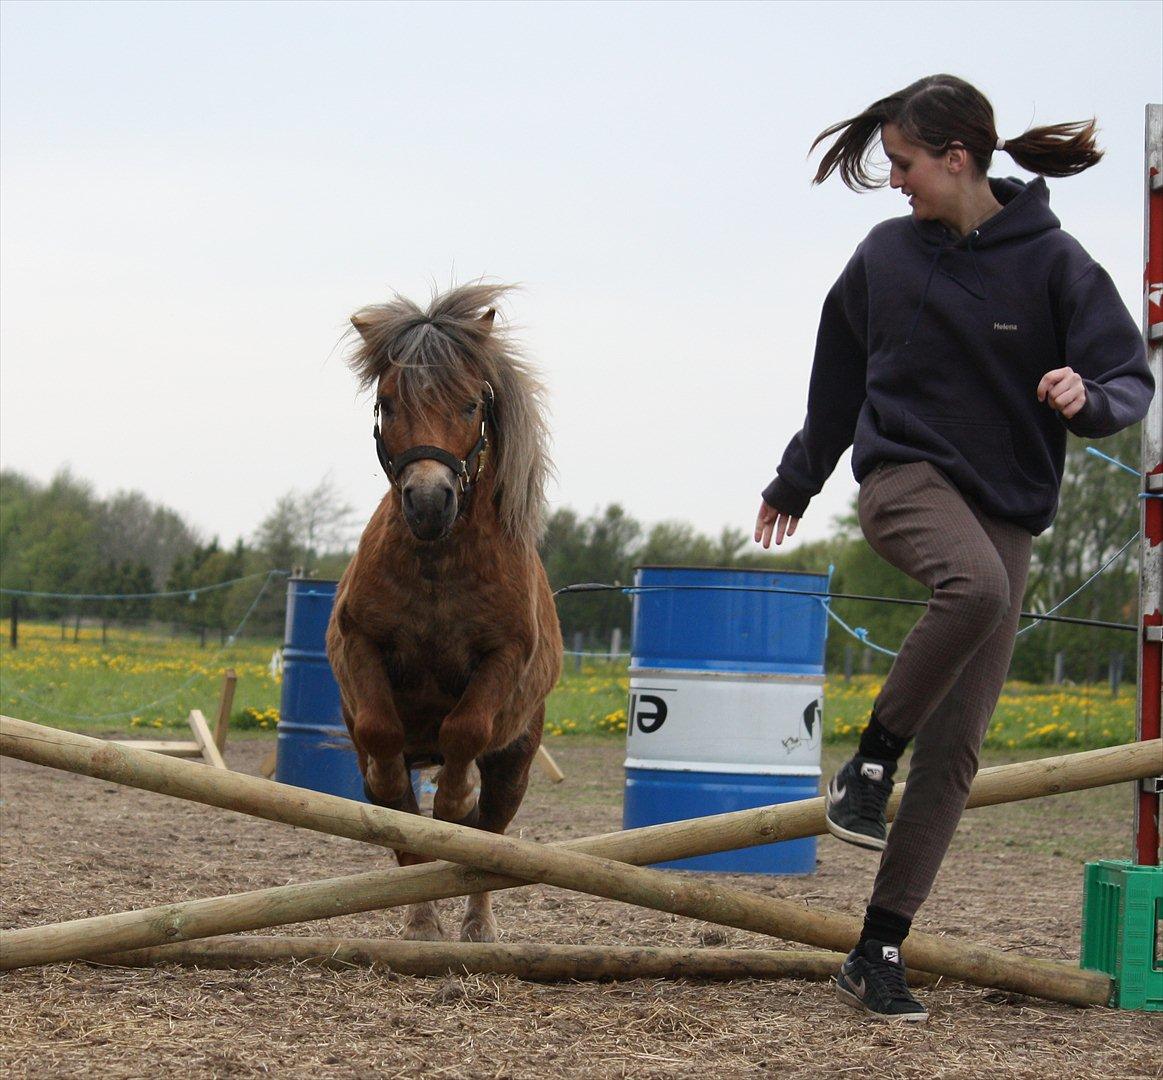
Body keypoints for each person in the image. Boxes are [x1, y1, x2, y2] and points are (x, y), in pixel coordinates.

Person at [755, 74, 1154, 1022]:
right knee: (971, 589)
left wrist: (1083, 399)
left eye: (902, 165)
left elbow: (1123, 373)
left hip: (1004, 512)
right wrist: (796, 478)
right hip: (901, 480)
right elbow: (835, 381)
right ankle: (865, 762)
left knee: (959, 751)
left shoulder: (1054, 264)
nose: (895, 182)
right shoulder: (885, 257)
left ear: (956, 158)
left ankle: (875, 948)